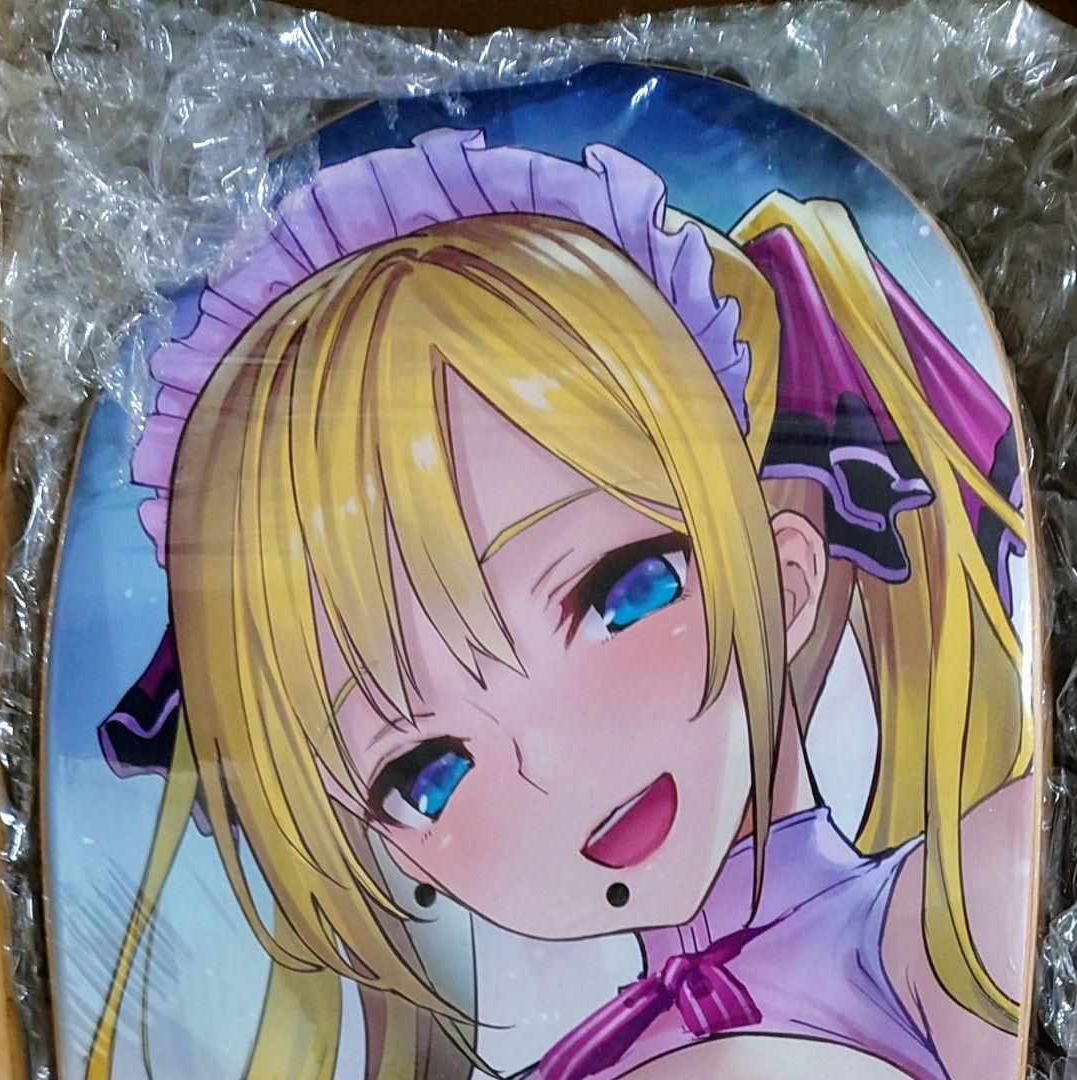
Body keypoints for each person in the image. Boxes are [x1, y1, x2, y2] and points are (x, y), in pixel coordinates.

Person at [90, 129, 1032, 1080]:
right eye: (423, 772)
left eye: (624, 593)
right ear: (393, 849)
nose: (548, 766)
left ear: (784, 580)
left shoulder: (946, 925)